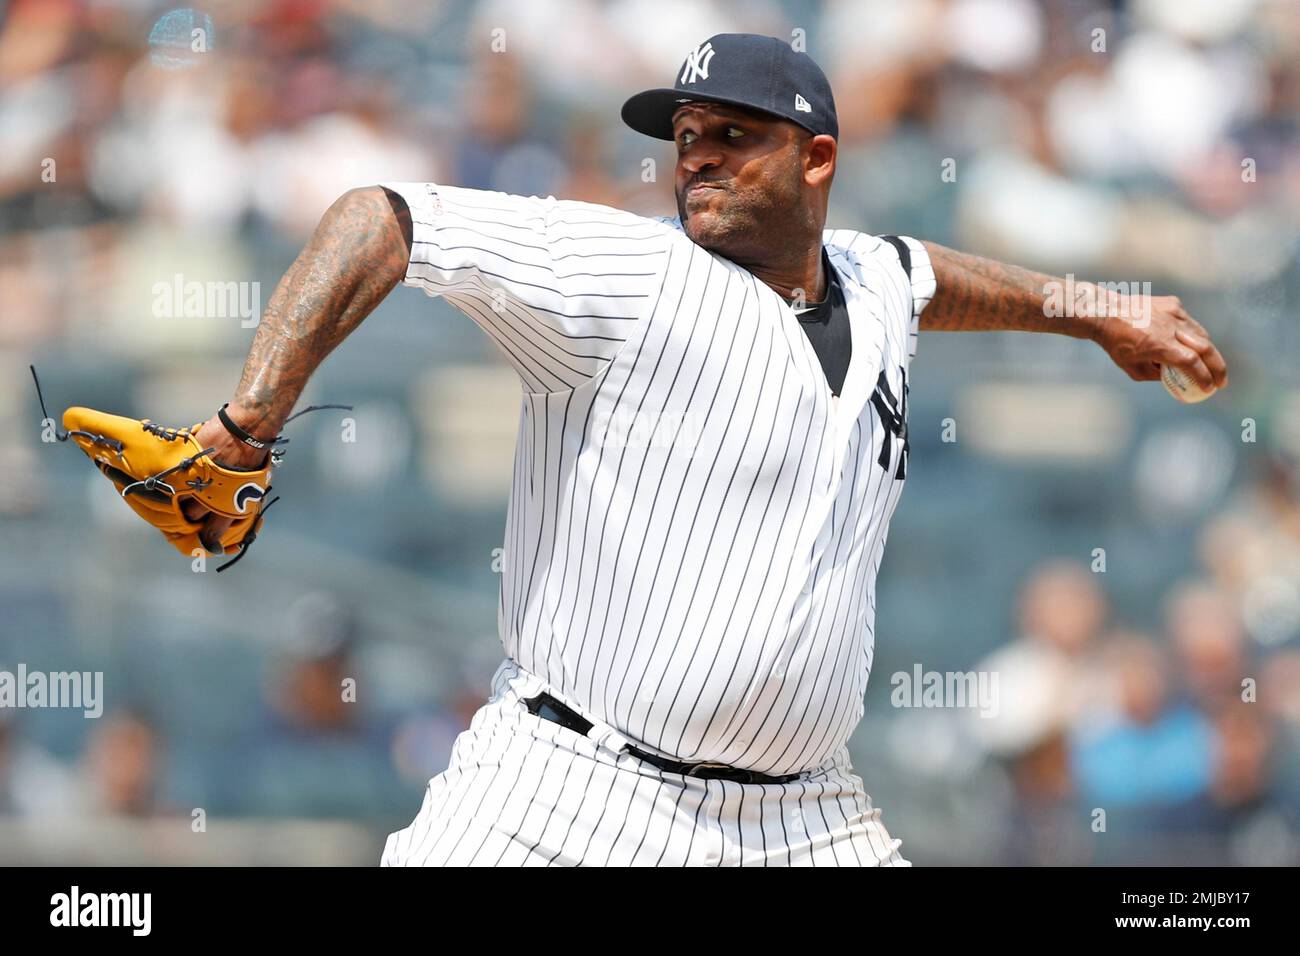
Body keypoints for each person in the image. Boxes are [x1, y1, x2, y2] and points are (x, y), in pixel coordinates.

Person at [175, 34, 1227, 865]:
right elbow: (380, 219)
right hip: (568, 789)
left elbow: (939, 277)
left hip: (804, 816)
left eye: (734, 134)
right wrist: (240, 429)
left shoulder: (870, 275)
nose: (699, 157)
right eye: (685, 135)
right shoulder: (628, 271)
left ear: (817, 158)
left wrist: (1099, 309)